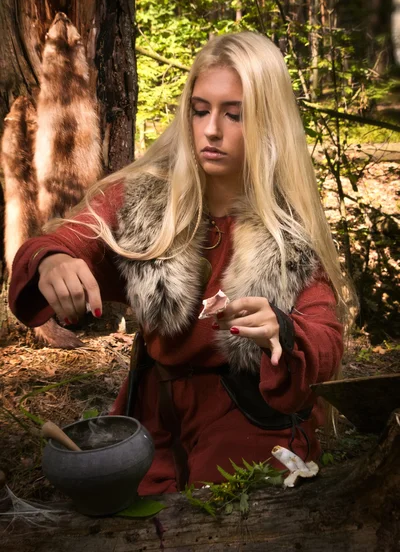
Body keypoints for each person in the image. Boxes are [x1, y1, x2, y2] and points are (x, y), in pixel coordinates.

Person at [9, 32, 351, 496]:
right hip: (152, 419)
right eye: (200, 109)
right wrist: (53, 261)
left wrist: (283, 330)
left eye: (235, 114)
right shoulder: (144, 198)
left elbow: (327, 339)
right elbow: (60, 240)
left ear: (269, 123)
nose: (212, 129)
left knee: (232, 514)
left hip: (250, 422)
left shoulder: (290, 233)